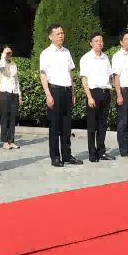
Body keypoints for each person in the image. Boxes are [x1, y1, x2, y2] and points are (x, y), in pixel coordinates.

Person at [39, 24, 82, 167]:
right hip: (54, 91)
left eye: (62, 33)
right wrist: (48, 94)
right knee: (55, 127)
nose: (61, 36)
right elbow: (43, 74)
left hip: (66, 91)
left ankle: (67, 155)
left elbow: (70, 74)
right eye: (57, 33)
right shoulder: (46, 53)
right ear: (50, 36)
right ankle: (55, 157)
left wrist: (73, 93)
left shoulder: (66, 52)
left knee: (66, 126)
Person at [79, 33, 115, 162]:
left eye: (101, 41)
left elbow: (110, 76)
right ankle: (92, 153)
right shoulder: (86, 58)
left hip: (106, 93)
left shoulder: (106, 58)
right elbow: (84, 79)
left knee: (103, 124)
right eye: (96, 41)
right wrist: (89, 97)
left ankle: (101, 151)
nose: (99, 43)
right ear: (91, 43)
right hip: (93, 93)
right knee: (92, 125)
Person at [0, 46, 22, 150]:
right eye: (7, 52)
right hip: (4, 92)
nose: (9, 54)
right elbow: (0, 68)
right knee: (4, 118)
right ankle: (5, 141)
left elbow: (16, 81)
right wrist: (4, 56)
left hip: (13, 93)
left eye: (10, 52)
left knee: (13, 118)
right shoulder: (0, 63)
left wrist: (19, 94)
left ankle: (11, 140)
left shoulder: (14, 64)